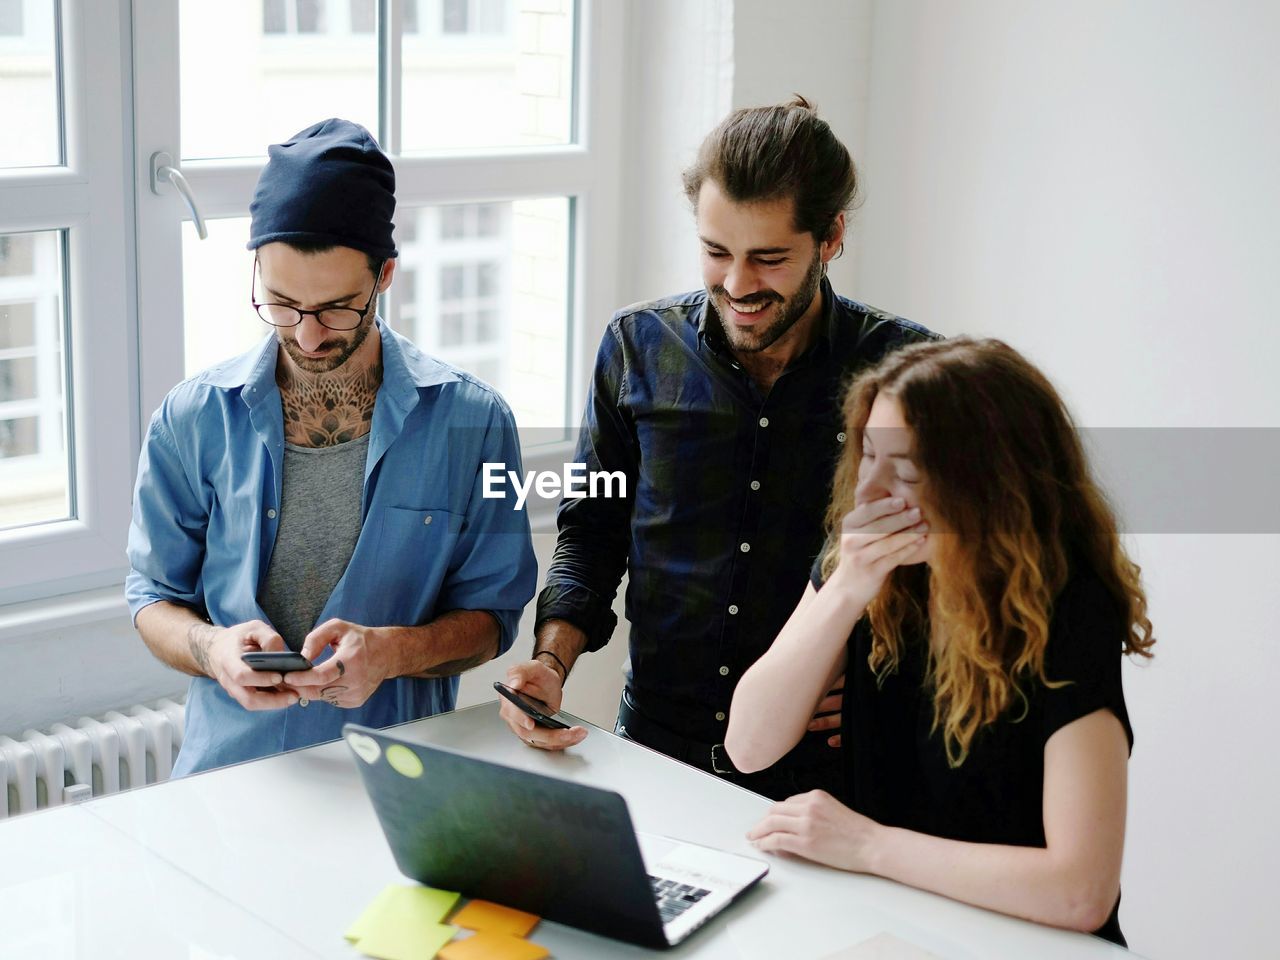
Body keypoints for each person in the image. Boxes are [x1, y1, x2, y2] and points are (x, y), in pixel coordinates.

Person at [498, 96, 938, 800]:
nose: (737, 285)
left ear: (830, 238)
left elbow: (946, 568)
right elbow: (593, 528)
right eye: (716, 253)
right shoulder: (636, 347)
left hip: (830, 771)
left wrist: (889, 676)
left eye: (768, 259)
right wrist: (551, 661)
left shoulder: (906, 369)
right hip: (655, 746)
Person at [126, 119, 537, 776]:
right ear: (256, 269)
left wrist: (392, 652)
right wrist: (212, 648)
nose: (309, 336)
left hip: (400, 783)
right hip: (229, 776)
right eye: (282, 304)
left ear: (386, 276)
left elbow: (493, 616)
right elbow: (152, 595)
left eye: (338, 309)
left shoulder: (475, 423)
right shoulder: (192, 416)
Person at [724, 337, 1154, 946]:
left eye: (904, 472)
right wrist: (846, 588)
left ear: (986, 485)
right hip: (897, 918)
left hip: (1020, 939)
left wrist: (865, 844)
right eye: (867, 455)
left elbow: (1080, 890)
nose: (868, 493)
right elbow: (748, 744)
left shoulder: (1066, 606)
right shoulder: (866, 565)